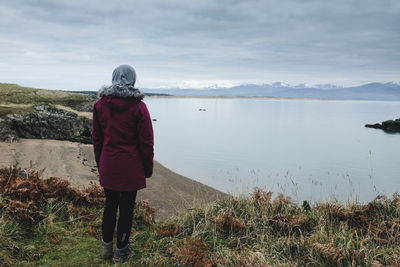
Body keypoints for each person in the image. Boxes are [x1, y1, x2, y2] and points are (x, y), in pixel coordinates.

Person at [92, 64, 154, 262]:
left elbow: (97, 139)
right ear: (132, 80)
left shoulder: (100, 105)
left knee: (110, 205)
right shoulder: (139, 107)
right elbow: (146, 142)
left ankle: (106, 248)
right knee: (127, 208)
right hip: (131, 166)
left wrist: (100, 163)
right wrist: (148, 168)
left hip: (109, 163)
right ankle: (122, 251)